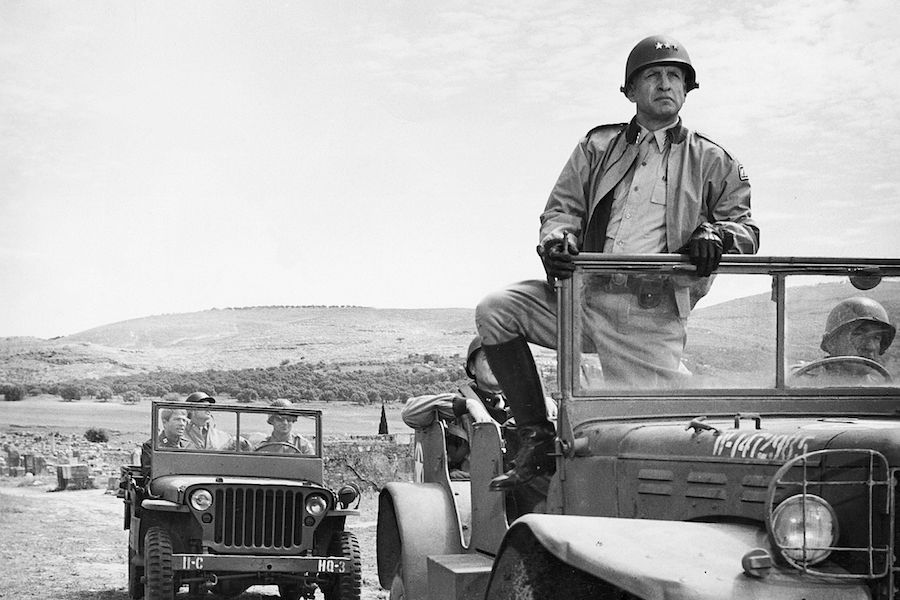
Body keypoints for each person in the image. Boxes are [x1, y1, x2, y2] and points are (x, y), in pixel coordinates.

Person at [475, 35, 760, 491]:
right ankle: (534, 437)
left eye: (674, 77)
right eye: (652, 75)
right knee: (497, 309)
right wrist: (558, 240)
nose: (665, 84)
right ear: (630, 90)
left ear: (687, 90)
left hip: (650, 317)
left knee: (653, 441)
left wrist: (716, 234)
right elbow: (562, 210)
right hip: (583, 301)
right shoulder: (597, 147)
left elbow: (745, 231)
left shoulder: (713, 160)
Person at [402, 336, 510, 479]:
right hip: (469, 489)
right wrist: (466, 405)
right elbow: (410, 413)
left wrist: (543, 405)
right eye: (488, 357)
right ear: (472, 368)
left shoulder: (517, 407)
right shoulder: (457, 405)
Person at [792, 297, 896, 384]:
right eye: (859, 334)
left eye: (876, 337)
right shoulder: (798, 380)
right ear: (832, 343)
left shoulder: (880, 387)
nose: (870, 347)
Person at [140, 407, 192, 473]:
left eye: (184, 420)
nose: (182, 424)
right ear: (165, 423)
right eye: (177, 419)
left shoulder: (188, 445)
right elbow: (150, 474)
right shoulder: (151, 446)